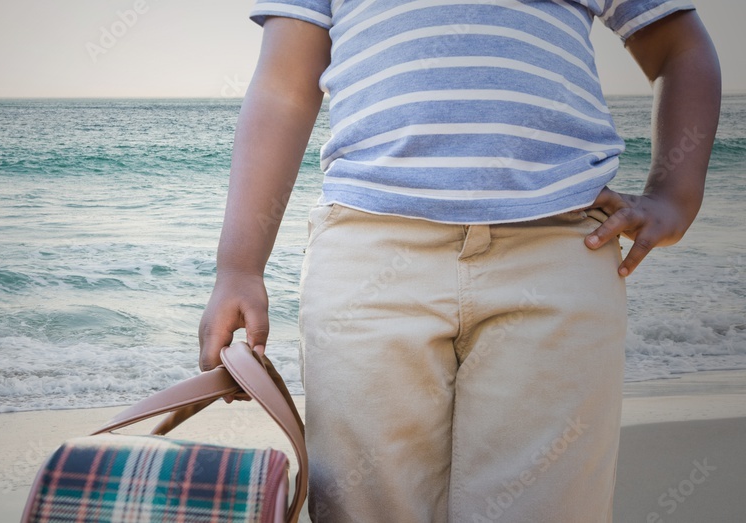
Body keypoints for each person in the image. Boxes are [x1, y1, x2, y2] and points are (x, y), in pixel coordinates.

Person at [198, 0, 720, 520]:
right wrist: (239, 267)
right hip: (370, 252)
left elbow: (679, 46)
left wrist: (675, 193)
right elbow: (283, 89)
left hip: (559, 248)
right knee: (365, 506)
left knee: (544, 506)